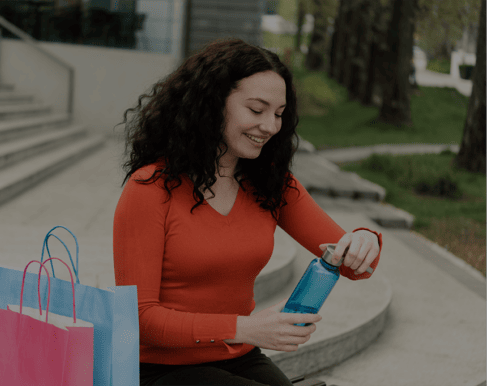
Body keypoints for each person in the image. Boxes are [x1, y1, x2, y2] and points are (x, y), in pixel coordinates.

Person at [113, 38, 382, 386]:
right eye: (257, 110)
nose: (270, 126)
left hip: (238, 357)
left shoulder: (271, 184)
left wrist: (364, 241)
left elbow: (352, 264)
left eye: (279, 114)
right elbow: (139, 318)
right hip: (159, 369)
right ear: (210, 104)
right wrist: (245, 327)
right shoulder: (150, 188)